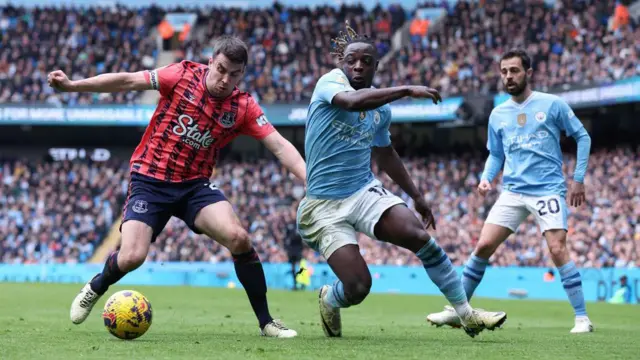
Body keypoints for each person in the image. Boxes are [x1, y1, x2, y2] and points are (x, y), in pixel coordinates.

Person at [47, 36, 306, 338]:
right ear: (211, 61)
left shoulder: (243, 106)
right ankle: (96, 286)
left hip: (194, 186)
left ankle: (266, 322)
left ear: (242, 74)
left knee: (239, 238)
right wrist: (74, 86)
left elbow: (279, 146)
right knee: (132, 256)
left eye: (234, 74)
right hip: (150, 178)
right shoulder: (181, 75)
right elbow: (129, 81)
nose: (225, 79)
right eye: (221, 69)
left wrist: (310, 181)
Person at [296, 23, 507, 338]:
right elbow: (352, 103)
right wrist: (407, 90)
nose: (357, 65)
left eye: (365, 61)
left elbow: (385, 154)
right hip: (323, 206)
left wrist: (417, 196)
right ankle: (330, 297)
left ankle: (466, 314)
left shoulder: (381, 112)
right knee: (358, 286)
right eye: (351, 59)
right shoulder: (330, 82)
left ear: (376, 66)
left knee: (417, 235)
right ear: (342, 63)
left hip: (361, 192)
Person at [426, 49, 594, 334]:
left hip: (547, 190)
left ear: (528, 73)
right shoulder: (498, 113)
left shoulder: (552, 104)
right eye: (504, 71)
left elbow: (583, 136)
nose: (508, 76)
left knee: (557, 248)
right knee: (483, 246)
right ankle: (461, 311)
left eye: (514, 71)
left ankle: (582, 318)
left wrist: (578, 179)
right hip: (513, 191)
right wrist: (486, 178)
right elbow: (495, 155)